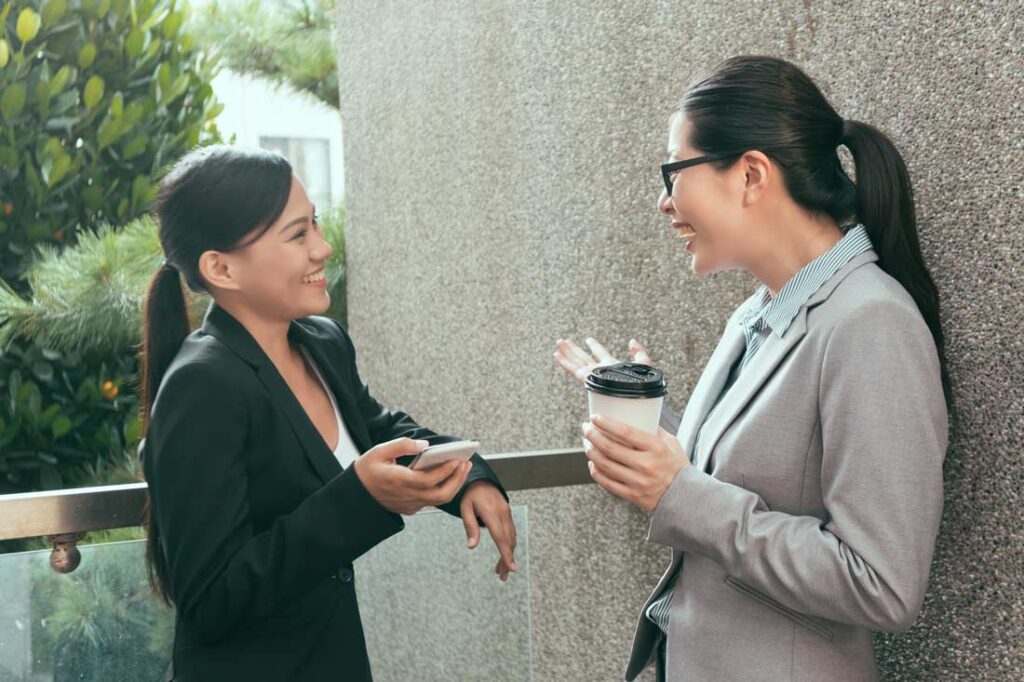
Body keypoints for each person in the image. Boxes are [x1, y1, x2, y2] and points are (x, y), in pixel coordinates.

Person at [555, 55, 950, 681]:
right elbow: (742, 479)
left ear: (751, 175)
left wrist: (677, 493)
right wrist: (649, 419)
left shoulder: (872, 323)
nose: (663, 202)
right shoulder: (759, 312)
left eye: (674, 172)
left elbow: (882, 583)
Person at [140, 145, 517, 681]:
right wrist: (360, 498)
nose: (323, 247)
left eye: (314, 223)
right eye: (297, 234)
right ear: (221, 268)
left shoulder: (321, 340)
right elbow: (210, 599)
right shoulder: (202, 386)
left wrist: (469, 478)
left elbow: (381, 430)